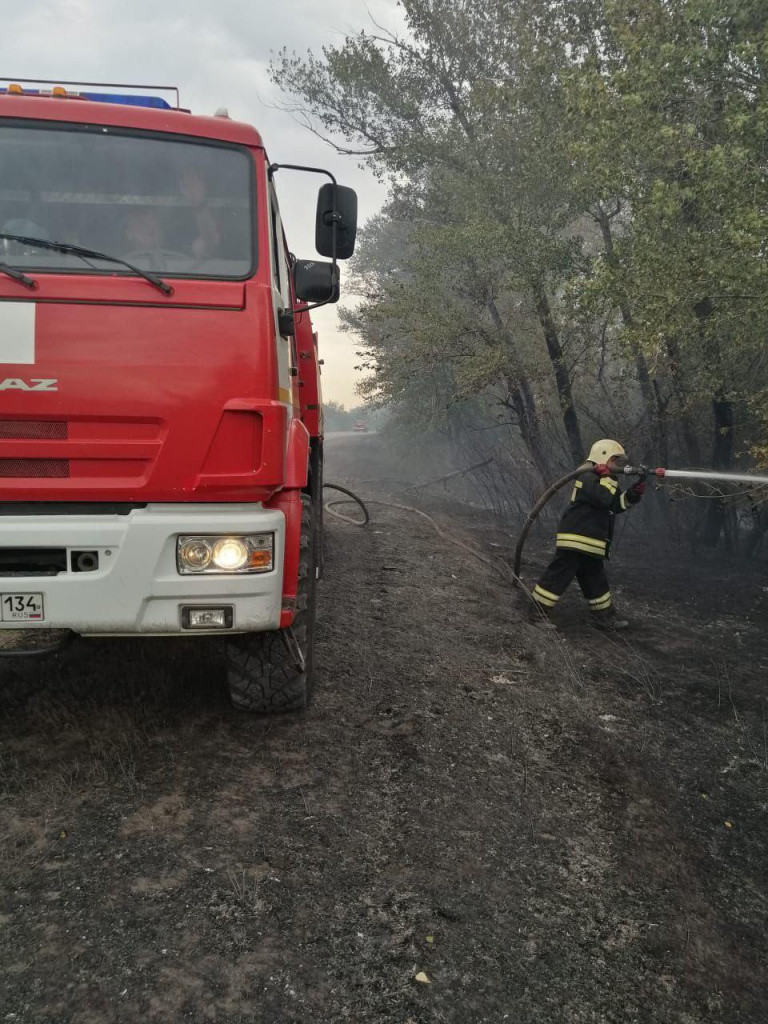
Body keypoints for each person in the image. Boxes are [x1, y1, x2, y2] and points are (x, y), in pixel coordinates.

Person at [529, 439, 645, 631]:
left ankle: (603, 618)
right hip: (576, 538)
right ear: (603, 456)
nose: (617, 467)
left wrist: (633, 494)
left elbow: (615, 505)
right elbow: (603, 498)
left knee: (596, 580)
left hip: (590, 541)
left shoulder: (603, 479)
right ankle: (536, 614)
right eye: (615, 461)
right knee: (559, 575)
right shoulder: (587, 475)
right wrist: (608, 478)